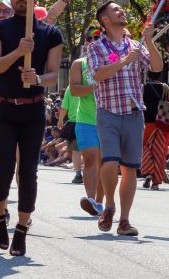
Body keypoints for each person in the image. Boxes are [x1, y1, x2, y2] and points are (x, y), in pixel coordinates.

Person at [0, 0, 64, 257]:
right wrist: (18, 51)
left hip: (33, 109)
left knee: (28, 170)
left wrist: (39, 77)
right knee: (4, 167)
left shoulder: (51, 33)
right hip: (3, 107)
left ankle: (21, 228)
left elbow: (54, 75)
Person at [86, 1, 163, 237]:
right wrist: (123, 61)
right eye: (116, 10)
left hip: (134, 113)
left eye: (122, 9)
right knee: (110, 161)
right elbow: (98, 75)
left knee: (130, 169)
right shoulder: (96, 47)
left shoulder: (136, 45)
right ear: (105, 20)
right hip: (108, 112)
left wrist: (149, 39)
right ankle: (109, 204)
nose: (122, 11)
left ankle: (124, 220)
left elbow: (157, 67)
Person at [66, 26, 105, 214]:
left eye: (99, 37)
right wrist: (94, 85)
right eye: (91, 38)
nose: (95, 41)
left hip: (108, 120)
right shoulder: (79, 64)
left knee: (105, 163)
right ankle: (91, 199)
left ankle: (100, 202)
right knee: (90, 160)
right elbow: (74, 90)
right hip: (86, 120)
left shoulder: (113, 61)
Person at [141, 75, 169, 192]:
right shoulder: (165, 87)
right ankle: (155, 183)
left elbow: (139, 103)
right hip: (162, 123)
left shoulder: (144, 87)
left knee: (146, 148)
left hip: (147, 123)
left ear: (147, 75)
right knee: (160, 152)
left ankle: (148, 173)